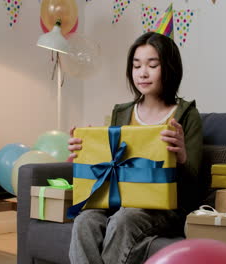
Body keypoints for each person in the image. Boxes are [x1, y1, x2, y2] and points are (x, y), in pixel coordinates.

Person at [68, 31, 203, 264]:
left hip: (164, 210)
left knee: (124, 219)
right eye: (136, 65)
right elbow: (109, 166)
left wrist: (181, 155)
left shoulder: (186, 114)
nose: (142, 73)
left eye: (152, 65)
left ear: (169, 68)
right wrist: (84, 150)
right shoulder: (121, 112)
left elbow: (194, 182)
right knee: (85, 221)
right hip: (116, 201)